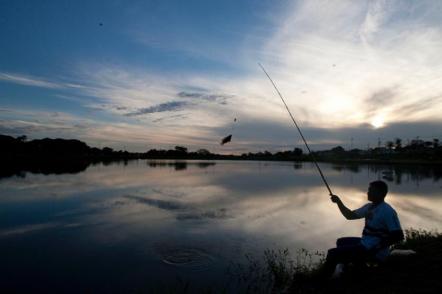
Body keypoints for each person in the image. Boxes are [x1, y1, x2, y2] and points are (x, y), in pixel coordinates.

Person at [324, 180, 404, 277]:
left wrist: (376, 248)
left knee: (332, 253)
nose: (368, 192)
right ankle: (350, 268)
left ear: (380, 193)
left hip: (373, 250)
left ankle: (322, 281)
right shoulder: (369, 207)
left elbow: (398, 236)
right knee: (341, 242)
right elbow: (349, 215)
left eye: (371, 190)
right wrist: (338, 202)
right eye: (368, 190)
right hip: (365, 243)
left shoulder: (387, 211)